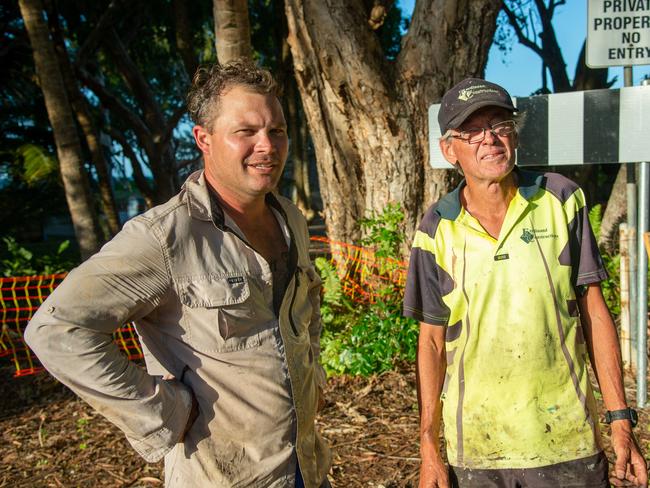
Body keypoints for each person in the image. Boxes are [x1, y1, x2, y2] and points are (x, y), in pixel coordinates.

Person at [25, 60, 331, 488]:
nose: (268, 146)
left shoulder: (291, 220)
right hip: (225, 477)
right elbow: (56, 329)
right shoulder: (164, 238)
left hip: (305, 465)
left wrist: (312, 374)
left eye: (276, 131)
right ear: (203, 139)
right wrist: (161, 412)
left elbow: (307, 307)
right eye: (246, 132)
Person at [404, 78, 647, 488]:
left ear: (514, 136)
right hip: (478, 447)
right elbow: (430, 342)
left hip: (567, 442)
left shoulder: (560, 200)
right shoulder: (437, 228)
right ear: (449, 151)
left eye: (500, 125)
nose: (490, 140)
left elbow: (593, 310)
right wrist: (429, 446)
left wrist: (620, 420)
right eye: (472, 131)